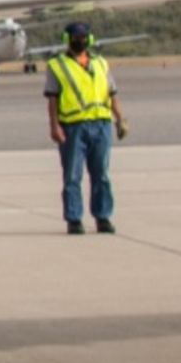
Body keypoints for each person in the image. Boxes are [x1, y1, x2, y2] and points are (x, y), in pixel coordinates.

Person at [47, 21, 126, 234]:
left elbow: (112, 93)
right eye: (76, 37)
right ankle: (74, 219)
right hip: (73, 127)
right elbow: (52, 99)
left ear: (89, 39)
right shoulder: (57, 65)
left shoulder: (101, 63)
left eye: (83, 37)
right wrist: (54, 126)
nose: (80, 41)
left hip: (101, 124)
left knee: (101, 174)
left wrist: (120, 118)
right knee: (72, 175)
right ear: (67, 39)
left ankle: (103, 217)